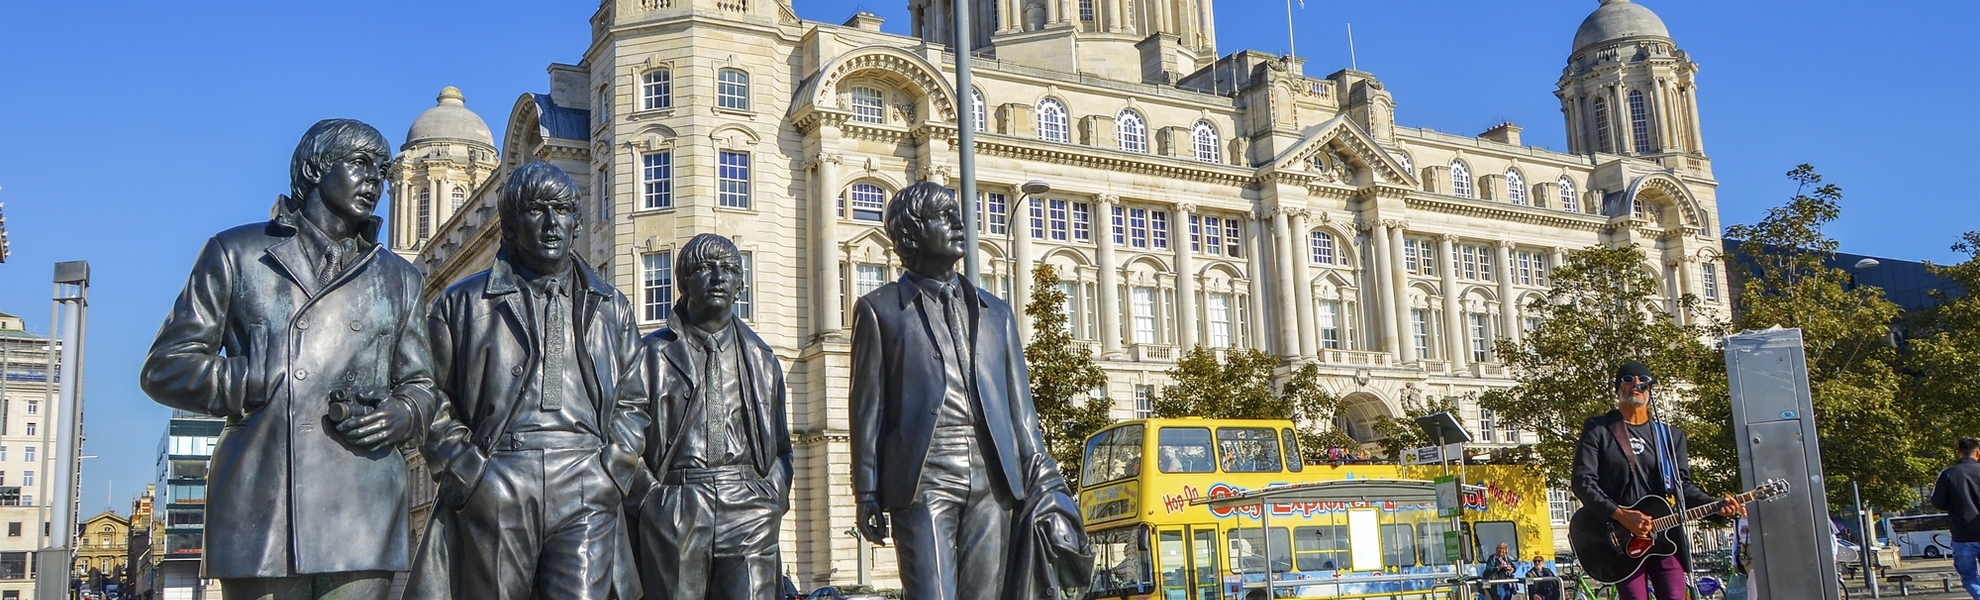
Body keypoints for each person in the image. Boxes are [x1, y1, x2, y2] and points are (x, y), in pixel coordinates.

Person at [140, 119, 436, 600]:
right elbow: (164, 367)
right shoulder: (236, 253)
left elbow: (422, 383)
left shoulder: (399, 278)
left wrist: (402, 413)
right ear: (317, 167)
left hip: (362, 503)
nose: (374, 183)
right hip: (264, 506)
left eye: (382, 172)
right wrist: (244, 379)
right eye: (360, 165)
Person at [407, 162, 647, 600]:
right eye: (537, 211)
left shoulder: (612, 306)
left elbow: (634, 401)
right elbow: (426, 393)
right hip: (499, 475)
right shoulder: (461, 302)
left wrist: (614, 470)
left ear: (577, 221)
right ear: (513, 224)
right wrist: (468, 471)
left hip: (586, 477)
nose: (553, 223)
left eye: (563, 210)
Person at [850, 182, 1075, 600]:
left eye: (957, 214)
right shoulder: (879, 311)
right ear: (913, 234)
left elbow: (1022, 415)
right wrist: (866, 492)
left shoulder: (998, 313)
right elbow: (867, 409)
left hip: (993, 475)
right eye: (943, 217)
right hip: (923, 473)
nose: (959, 224)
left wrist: (1048, 484)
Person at [629, 233, 793, 600]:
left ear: (740, 284)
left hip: (749, 503)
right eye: (704, 267)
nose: (718, 276)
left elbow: (783, 447)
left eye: (730, 269)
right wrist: (651, 500)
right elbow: (622, 438)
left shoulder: (763, 359)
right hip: (677, 502)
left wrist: (772, 497)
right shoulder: (649, 355)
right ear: (683, 282)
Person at [1570, 361, 1742, 600]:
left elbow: (1682, 486)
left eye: (1643, 380)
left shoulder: (1670, 436)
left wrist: (1716, 507)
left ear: (1650, 390)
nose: (1636, 384)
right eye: (1628, 379)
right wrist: (1621, 515)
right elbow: (1583, 481)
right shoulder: (1599, 429)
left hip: (1663, 536)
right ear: (1618, 389)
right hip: (1619, 539)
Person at [1930, 436, 1980, 599]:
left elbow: (1937, 502)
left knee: (1968, 576)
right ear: (1978, 453)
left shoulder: (1948, 474)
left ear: (1959, 452)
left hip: (1963, 534)